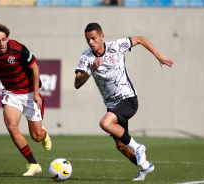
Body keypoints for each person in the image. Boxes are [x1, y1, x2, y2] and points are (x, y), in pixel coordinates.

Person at [74, 23, 173, 181]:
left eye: (93, 38)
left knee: (105, 123)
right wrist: (91, 68)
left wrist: (158, 55)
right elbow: (77, 83)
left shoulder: (116, 46)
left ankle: (139, 147)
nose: (91, 42)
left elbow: (140, 39)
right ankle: (146, 166)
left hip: (128, 99)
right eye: (87, 39)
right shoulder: (86, 57)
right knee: (120, 146)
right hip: (112, 106)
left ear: (102, 37)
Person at [0, 23, 52, 177]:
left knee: (36, 136)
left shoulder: (18, 49)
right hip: (11, 93)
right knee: (11, 127)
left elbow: (35, 68)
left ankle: (44, 134)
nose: (1, 43)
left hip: (29, 92)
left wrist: (37, 93)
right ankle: (34, 164)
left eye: (4, 39)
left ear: (7, 39)